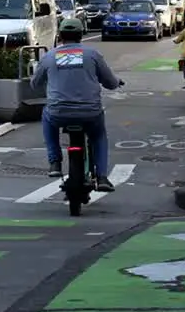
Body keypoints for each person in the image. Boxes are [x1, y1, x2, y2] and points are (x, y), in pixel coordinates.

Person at [31, 17, 122, 191]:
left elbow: (35, 84)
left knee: (46, 117)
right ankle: (102, 176)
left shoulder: (50, 56)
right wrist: (117, 82)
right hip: (90, 112)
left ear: (60, 36)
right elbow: (110, 82)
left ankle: (55, 162)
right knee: (99, 136)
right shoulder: (92, 54)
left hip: (58, 112)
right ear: (81, 35)